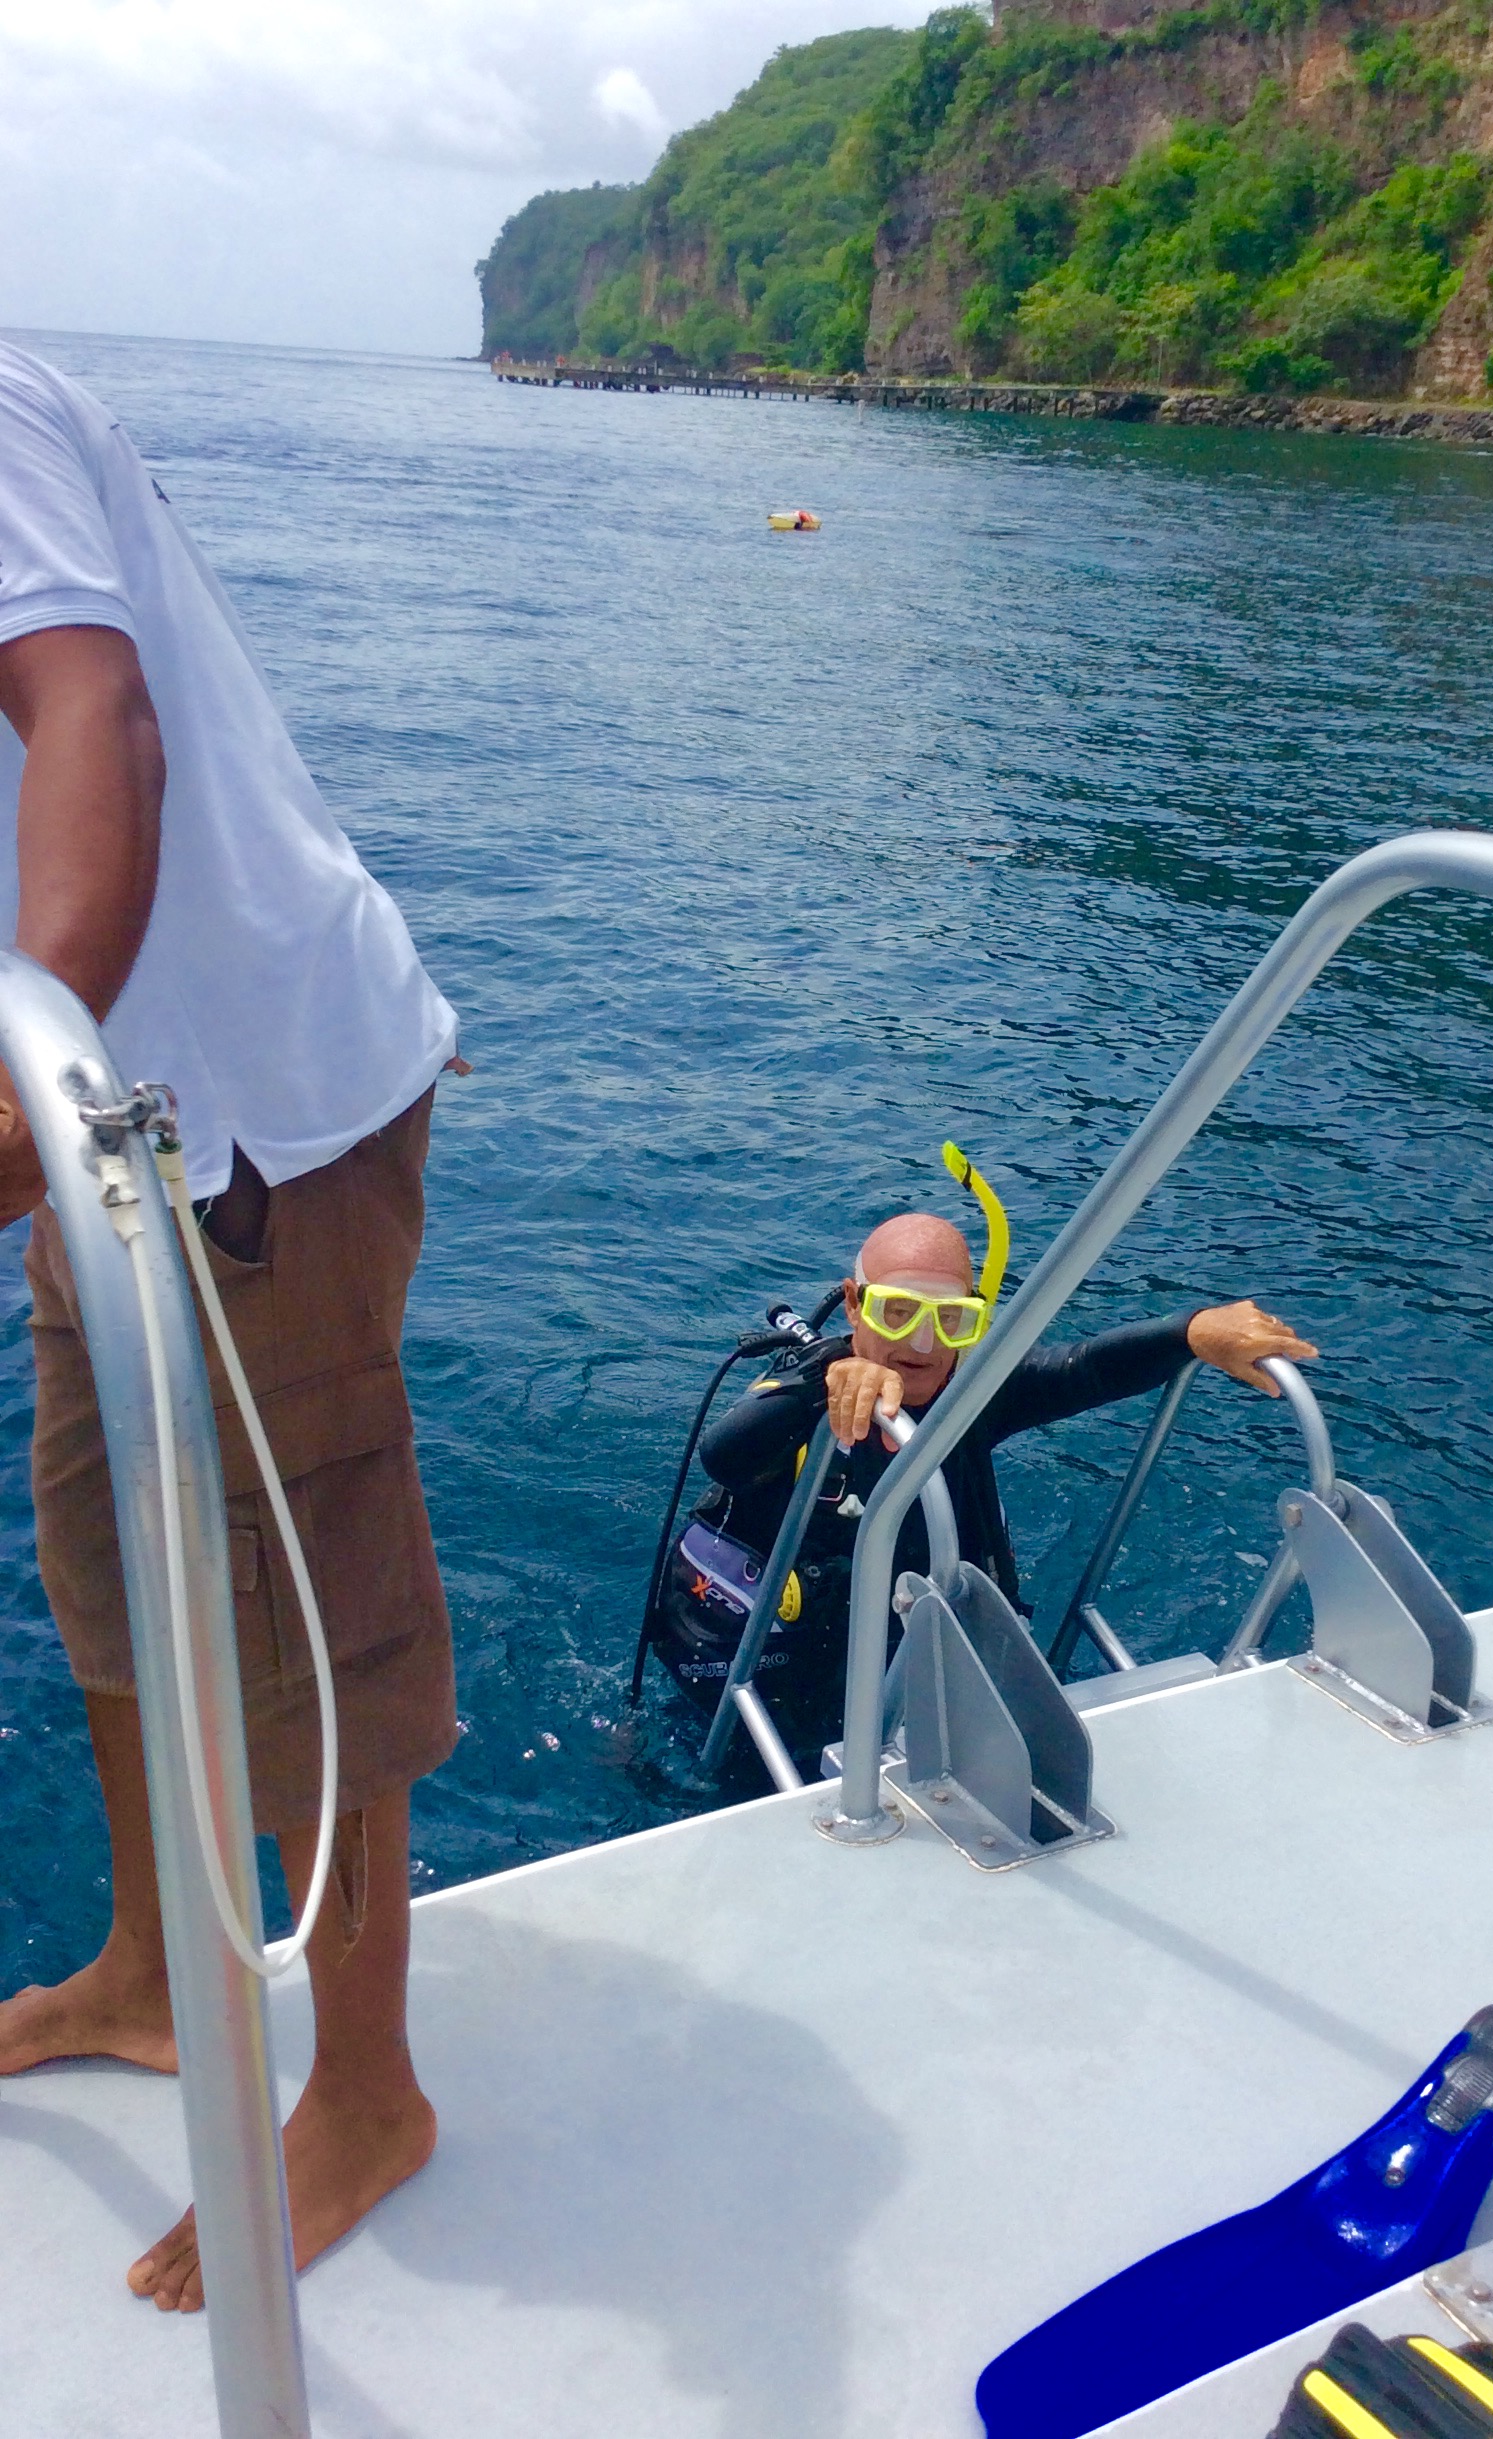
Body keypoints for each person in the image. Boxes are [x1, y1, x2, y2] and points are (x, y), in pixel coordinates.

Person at [0, 341, 463, 2312]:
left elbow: (96, 721)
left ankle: (367, 2081)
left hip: (261, 1104)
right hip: (89, 1108)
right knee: (104, 1540)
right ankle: (154, 1966)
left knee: (310, 1609)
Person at [672, 1206, 1316, 1720]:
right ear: (852, 1304)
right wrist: (825, 1388)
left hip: (911, 1649)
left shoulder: (971, 1394)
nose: (922, 1344)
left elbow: (1082, 1367)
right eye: (897, 1312)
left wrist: (1191, 1330)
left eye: (950, 1319)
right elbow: (726, 1455)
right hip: (782, 1671)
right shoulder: (806, 1392)